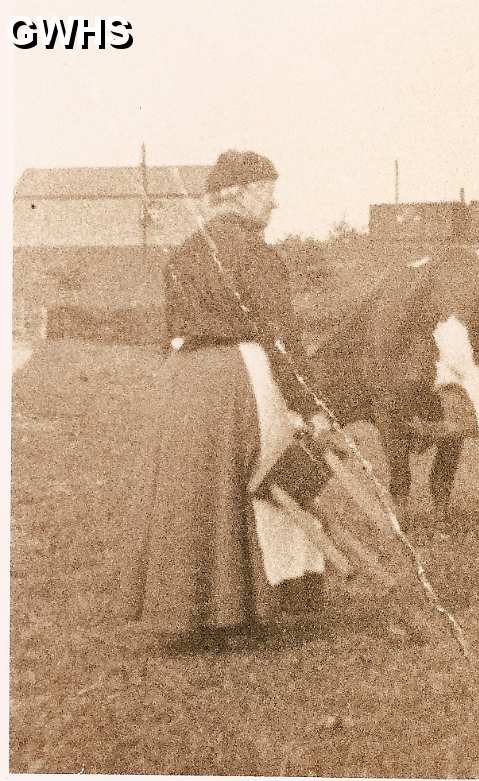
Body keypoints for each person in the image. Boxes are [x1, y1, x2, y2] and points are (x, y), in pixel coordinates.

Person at [121, 149, 331, 654]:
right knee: (267, 477)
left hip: (182, 382)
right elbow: (281, 337)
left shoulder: (183, 255)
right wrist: (310, 405)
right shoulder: (259, 256)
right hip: (242, 375)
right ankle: (251, 605)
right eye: (267, 190)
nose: (275, 203)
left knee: (191, 493)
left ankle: (191, 611)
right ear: (237, 194)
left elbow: (170, 332)